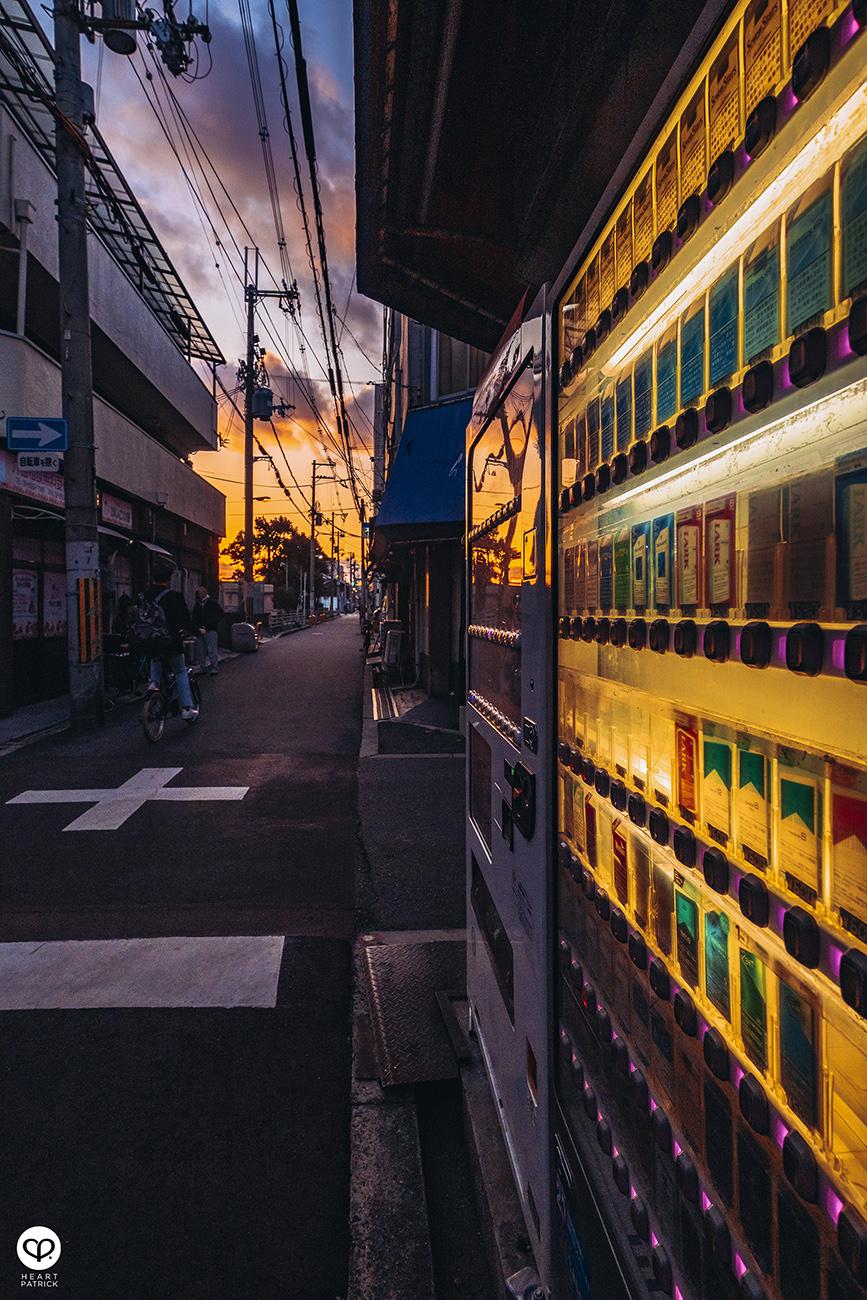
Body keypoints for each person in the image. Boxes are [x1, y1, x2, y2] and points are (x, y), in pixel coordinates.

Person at [144, 562, 198, 720]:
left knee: (155, 657)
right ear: (169, 578)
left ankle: (153, 683)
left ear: (153, 578)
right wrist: (198, 631)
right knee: (181, 672)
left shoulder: (143, 596)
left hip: (150, 642)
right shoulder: (175, 597)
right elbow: (185, 621)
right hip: (171, 642)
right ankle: (186, 708)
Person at [192, 585, 222, 675]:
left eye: (199, 594)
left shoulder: (211, 604)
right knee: (201, 651)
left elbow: (220, 614)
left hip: (209, 630)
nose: (198, 596)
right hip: (202, 630)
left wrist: (210, 624)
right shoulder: (198, 605)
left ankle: (212, 667)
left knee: (210, 650)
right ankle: (205, 667)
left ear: (204, 593)